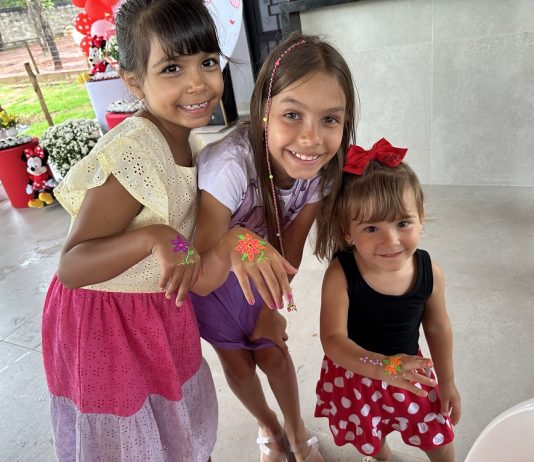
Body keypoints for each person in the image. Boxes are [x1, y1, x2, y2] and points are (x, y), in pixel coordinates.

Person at [41, 1, 294, 461]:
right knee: (132, 440)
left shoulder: (184, 138)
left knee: (174, 430)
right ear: (133, 81)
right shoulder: (135, 152)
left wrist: (233, 242)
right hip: (106, 325)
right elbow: (72, 267)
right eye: (172, 68)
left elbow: (194, 259)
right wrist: (154, 237)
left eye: (208, 62)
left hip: (153, 314)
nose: (197, 82)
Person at [190, 33, 357, 462]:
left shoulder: (319, 174)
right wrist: (236, 240)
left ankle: (296, 429)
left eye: (330, 119)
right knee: (238, 365)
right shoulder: (229, 166)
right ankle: (268, 426)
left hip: (262, 275)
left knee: (274, 354)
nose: (311, 138)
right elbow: (199, 274)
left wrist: (270, 308)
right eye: (292, 115)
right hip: (211, 282)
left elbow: (290, 250)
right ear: (264, 112)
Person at [314, 139, 461, 462]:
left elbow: (438, 327)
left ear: (421, 217)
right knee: (370, 433)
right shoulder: (341, 273)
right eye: (371, 228)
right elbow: (333, 339)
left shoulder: (429, 272)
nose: (391, 240)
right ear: (347, 232)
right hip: (357, 373)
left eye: (402, 223)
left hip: (409, 370)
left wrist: (447, 381)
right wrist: (381, 367)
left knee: (436, 433)